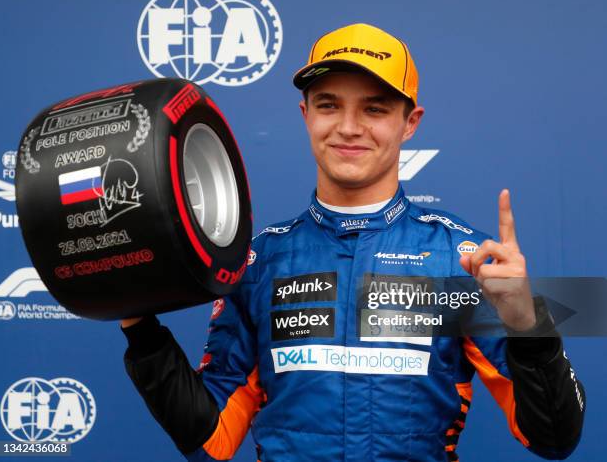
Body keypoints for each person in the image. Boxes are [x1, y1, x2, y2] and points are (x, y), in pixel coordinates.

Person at [121, 23, 585, 461]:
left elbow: (552, 438)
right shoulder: (260, 261)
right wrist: (140, 325)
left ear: (410, 123)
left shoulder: (461, 260)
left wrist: (529, 327)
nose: (348, 126)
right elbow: (211, 440)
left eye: (375, 108)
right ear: (306, 115)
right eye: (328, 105)